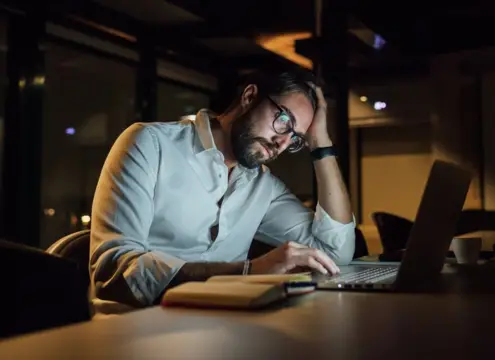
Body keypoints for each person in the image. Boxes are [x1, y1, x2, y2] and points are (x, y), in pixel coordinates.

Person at [89, 70, 355, 315]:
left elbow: (335, 252)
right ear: (249, 97)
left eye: (296, 138)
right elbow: (113, 269)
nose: (282, 143)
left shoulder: (264, 187)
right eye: (283, 120)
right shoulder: (150, 143)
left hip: (225, 329)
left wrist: (321, 144)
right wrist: (249, 272)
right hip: (137, 330)